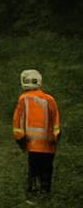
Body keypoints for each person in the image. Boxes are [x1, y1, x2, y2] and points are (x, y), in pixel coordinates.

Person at [13, 69, 61, 197]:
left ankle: (33, 190)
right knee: (47, 168)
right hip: (49, 144)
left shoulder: (23, 99)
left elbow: (18, 121)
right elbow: (56, 121)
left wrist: (20, 139)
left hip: (32, 143)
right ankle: (45, 190)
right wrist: (55, 138)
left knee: (33, 168)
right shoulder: (50, 99)